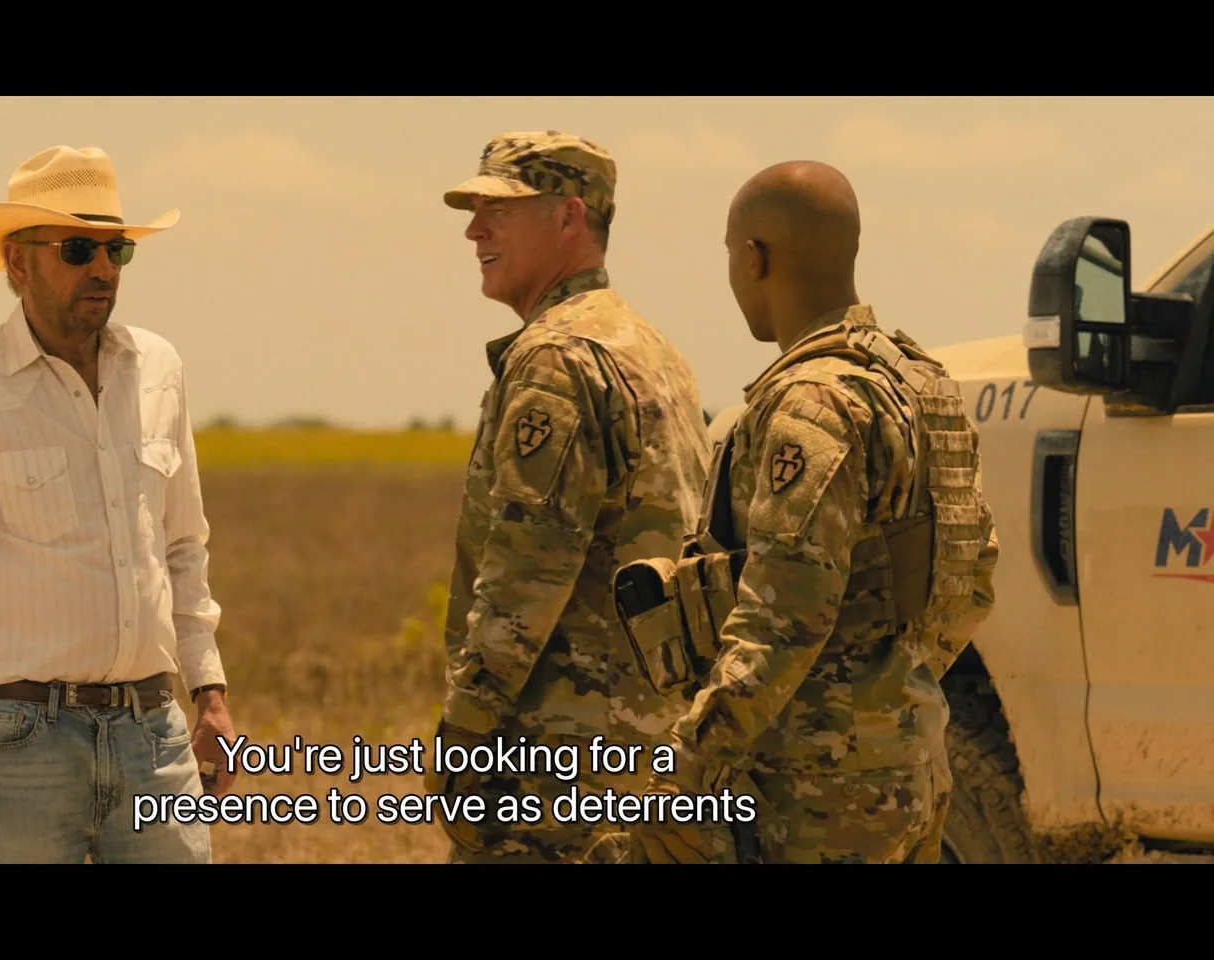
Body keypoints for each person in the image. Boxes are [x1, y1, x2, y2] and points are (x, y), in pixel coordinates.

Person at [586, 160, 1000, 864]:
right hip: (910, 768)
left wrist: (687, 767)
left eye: (730, 254)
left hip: (813, 793)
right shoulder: (921, 386)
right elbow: (973, 574)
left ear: (755, 259)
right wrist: (890, 687)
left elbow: (783, 619)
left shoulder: (812, 404)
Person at [0, 145, 237, 864]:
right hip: (22, 748)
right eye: (78, 249)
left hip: (153, 734)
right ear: (18, 263)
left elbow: (182, 548)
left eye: (116, 250)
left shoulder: (159, 370)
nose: (102, 268)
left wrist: (209, 690)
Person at [425, 130, 715, 863]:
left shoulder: (557, 358)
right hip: (652, 751)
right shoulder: (653, 349)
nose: (474, 231)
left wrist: (465, 727)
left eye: (498, 210)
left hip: (561, 763)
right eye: (474, 212)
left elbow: (528, 574)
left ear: (569, 217)